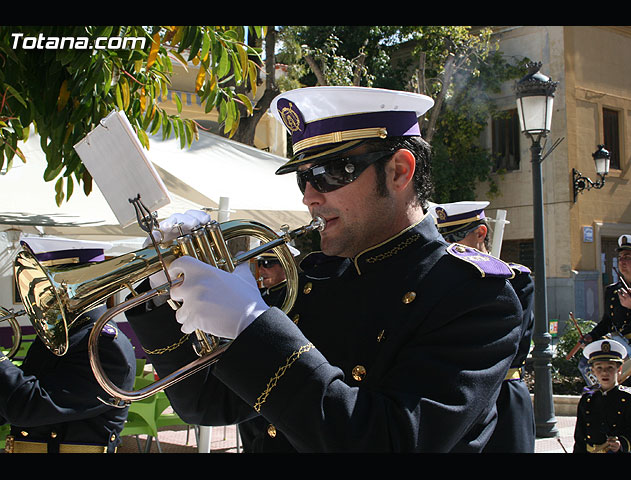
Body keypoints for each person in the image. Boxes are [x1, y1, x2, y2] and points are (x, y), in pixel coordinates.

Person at [124, 86, 523, 452]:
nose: (311, 197)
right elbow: (205, 403)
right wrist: (159, 292)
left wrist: (253, 327)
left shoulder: (476, 296)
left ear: (400, 171)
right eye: (303, 179)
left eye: (333, 172)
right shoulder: (311, 278)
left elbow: (388, 441)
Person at [0, 238, 136, 453]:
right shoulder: (62, 333)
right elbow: (11, 402)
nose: (36, 298)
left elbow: (28, 407)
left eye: (43, 286)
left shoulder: (102, 345)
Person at [434, 200, 536, 453]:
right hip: (454, 400)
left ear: (481, 233)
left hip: (502, 397)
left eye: (455, 237)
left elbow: (501, 346)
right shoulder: (437, 286)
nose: (447, 246)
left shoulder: (515, 282)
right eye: (441, 238)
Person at [581, 234, 631, 388]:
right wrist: (591, 336)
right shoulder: (613, 290)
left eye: (627, 257)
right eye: (620, 257)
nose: (622, 261)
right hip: (621, 355)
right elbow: (607, 321)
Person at [573, 339, 631, 453]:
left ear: (619, 369)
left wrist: (622, 444)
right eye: (599, 367)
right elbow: (580, 435)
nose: (604, 372)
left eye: (610, 367)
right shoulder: (588, 398)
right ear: (593, 371)